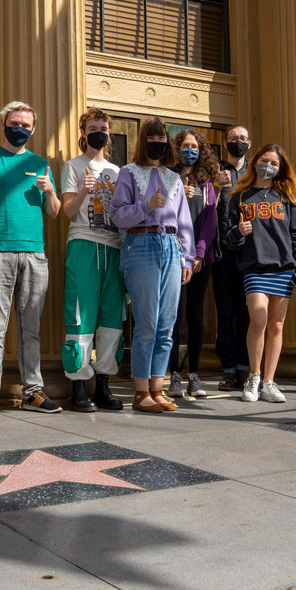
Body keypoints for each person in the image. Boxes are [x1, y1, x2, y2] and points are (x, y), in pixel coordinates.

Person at [0, 101, 62, 417]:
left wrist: (50, 191)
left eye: (25, 124)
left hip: (34, 254)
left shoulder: (40, 163)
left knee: (30, 329)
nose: (19, 128)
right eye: (14, 122)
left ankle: (33, 392)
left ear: (33, 130)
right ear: (4, 124)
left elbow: (55, 212)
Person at [110, 117, 195, 413]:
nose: (158, 142)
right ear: (143, 139)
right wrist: (147, 206)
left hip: (172, 246)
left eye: (162, 138)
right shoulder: (128, 173)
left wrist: (188, 258)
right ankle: (140, 391)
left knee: (167, 323)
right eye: (153, 137)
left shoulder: (174, 178)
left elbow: (184, 222)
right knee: (147, 322)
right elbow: (117, 216)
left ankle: (158, 389)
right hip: (141, 244)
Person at [224, 144, 296, 403]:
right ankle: (254, 376)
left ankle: (270, 381)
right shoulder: (239, 197)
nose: (268, 166)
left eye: (274, 163)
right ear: (254, 162)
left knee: (276, 324)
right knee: (258, 320)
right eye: (264, 160)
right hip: (254, 266)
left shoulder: (286, 197)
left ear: (281, 168)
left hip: (283, 267)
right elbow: (228, 239)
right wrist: (239, 232)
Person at [60, 108, 125, 411]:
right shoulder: (73, 166)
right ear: (84, 132)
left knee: (112, 317)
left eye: (103, 127)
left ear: (109, 133)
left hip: (114, 248)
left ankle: (103, 384)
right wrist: (85, 192)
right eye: (93, 127)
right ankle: (78, 386)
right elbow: (68, 212)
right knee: (80, 315)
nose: (99, 132)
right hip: (84, 245)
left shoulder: (118, 171)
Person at [167, 129, 218, 399]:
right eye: (185, 145)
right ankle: (173, 374)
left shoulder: (205, 182)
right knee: (174, 317)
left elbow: (209, 221)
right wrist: (180, 197)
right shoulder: (169, 176)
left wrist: (198, 254)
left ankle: (194, 374)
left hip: (200, 259)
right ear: (176, 148)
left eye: (194, 146)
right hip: (172, 255)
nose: (190, 150)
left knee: (195, 317)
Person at [212, 125, 252, 389]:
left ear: (249, 143)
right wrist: (216, 183)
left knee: (248, 314)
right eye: (234, 139)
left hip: (251, 254)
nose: (238, 142)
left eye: (243, 139)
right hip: (223, 254)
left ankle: (246, 369)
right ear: (225, 143)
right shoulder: (216, 172)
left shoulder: (256, 173)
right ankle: (228, 369)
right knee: (226, 313)